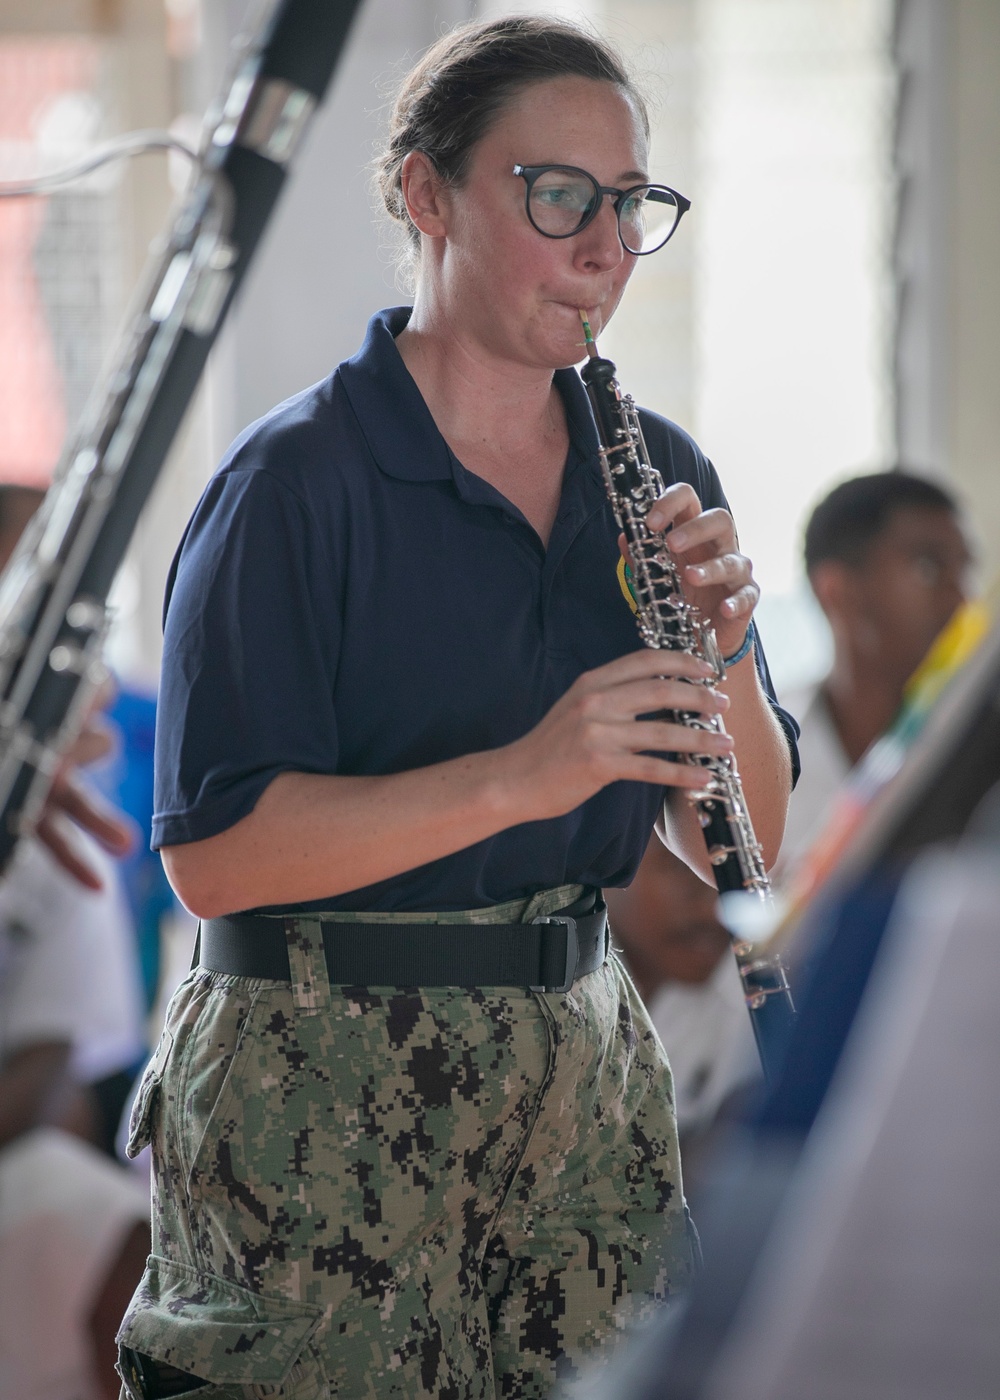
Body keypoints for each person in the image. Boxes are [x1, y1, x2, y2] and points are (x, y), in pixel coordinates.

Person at [124, 18, 797, 1399]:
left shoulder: (652, 465)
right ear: (428, 196)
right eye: (560, 198)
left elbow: (739, 839)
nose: (606, 248)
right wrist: (529, 773)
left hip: (582, 1094)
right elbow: (217, 853)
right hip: (318, 1098)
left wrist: (726, 653)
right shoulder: (294, 484)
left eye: (630, 206)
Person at [777, 470, 971, 878]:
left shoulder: (979, 749)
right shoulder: (753, 753)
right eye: (928, 567)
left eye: (964, 571)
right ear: (838, 592)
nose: (961, 600)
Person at [605, 837, 760, 1185]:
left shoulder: (745, 999)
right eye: (680, 868)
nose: (714, 910)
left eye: (735, 874)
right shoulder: (547, 1013)